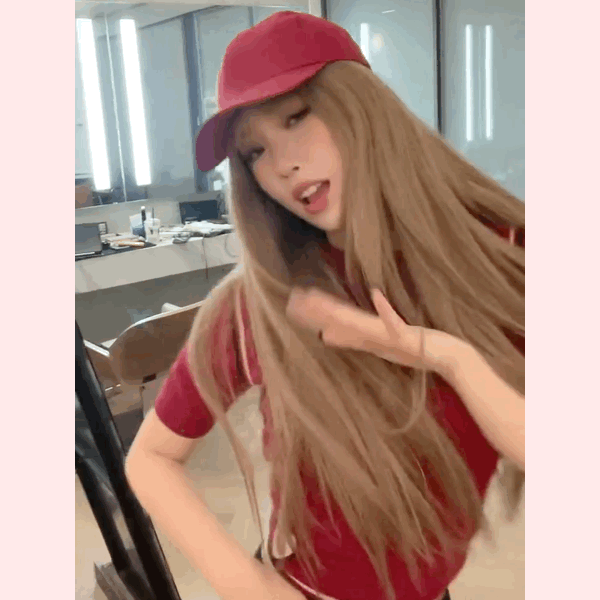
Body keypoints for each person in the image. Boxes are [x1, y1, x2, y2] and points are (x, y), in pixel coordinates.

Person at [125, 11, 525, 600]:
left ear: (364, 107)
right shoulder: (267, 303)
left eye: (297, 117)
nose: (282, 164)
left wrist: (446, 356)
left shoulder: (501, 250)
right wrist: (251, 587)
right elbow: (151, 458)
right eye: (254, 151)